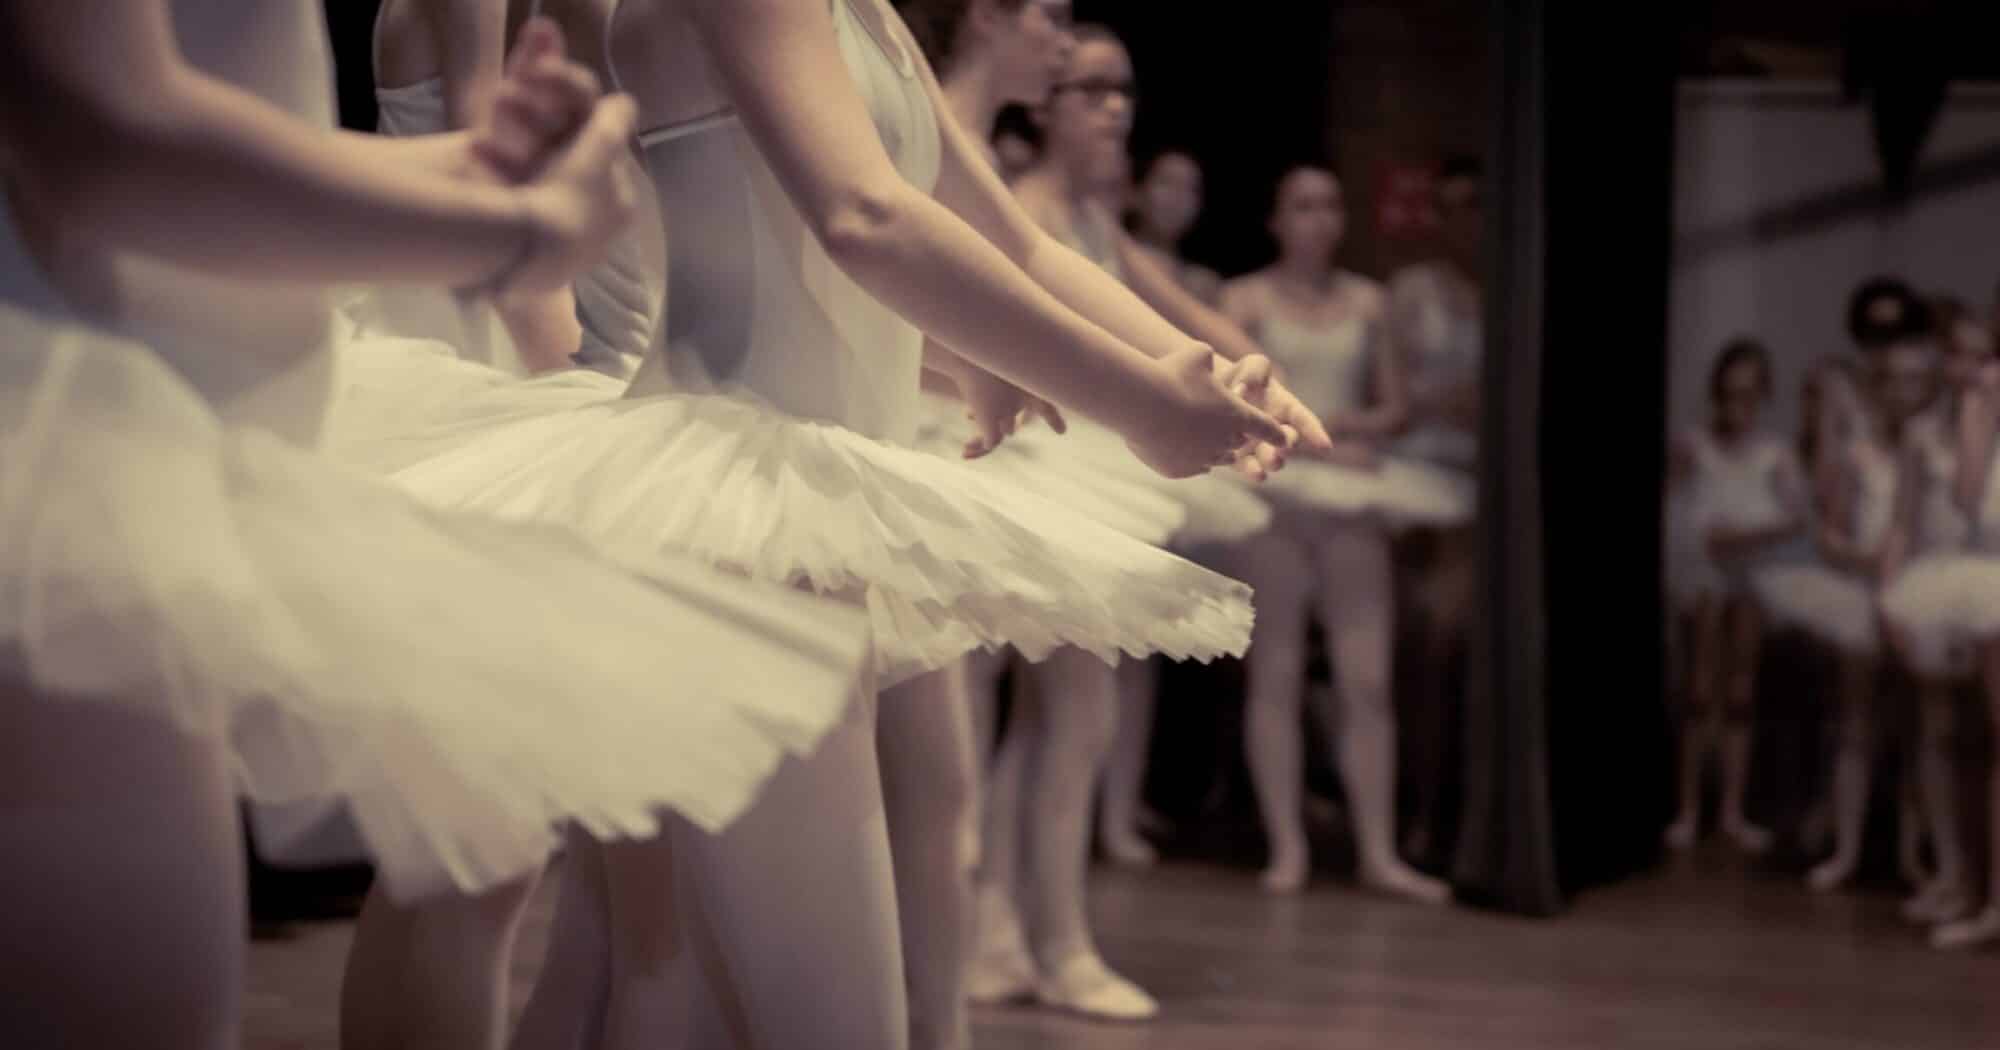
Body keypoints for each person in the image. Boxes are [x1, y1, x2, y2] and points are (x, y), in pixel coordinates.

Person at [0, 6, 875, 1046]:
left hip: (180, 427)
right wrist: (512, 234)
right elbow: (105, 131)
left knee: (479, 859)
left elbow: (216, 113)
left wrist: (479, 176)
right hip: (87, 452)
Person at [1665, 338, 1807, 852]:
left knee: (1741, 691)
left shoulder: (1776, 451)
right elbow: (1676, 513)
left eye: (1750, 393)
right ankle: (1687, 810)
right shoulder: (1693, 444)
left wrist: (1744, 535)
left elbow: (1796, 518)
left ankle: (1731, 811)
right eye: (1731, 393)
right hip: (1702, 575)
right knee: (1701, 689)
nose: (1739, 404)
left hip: (1752, 576)